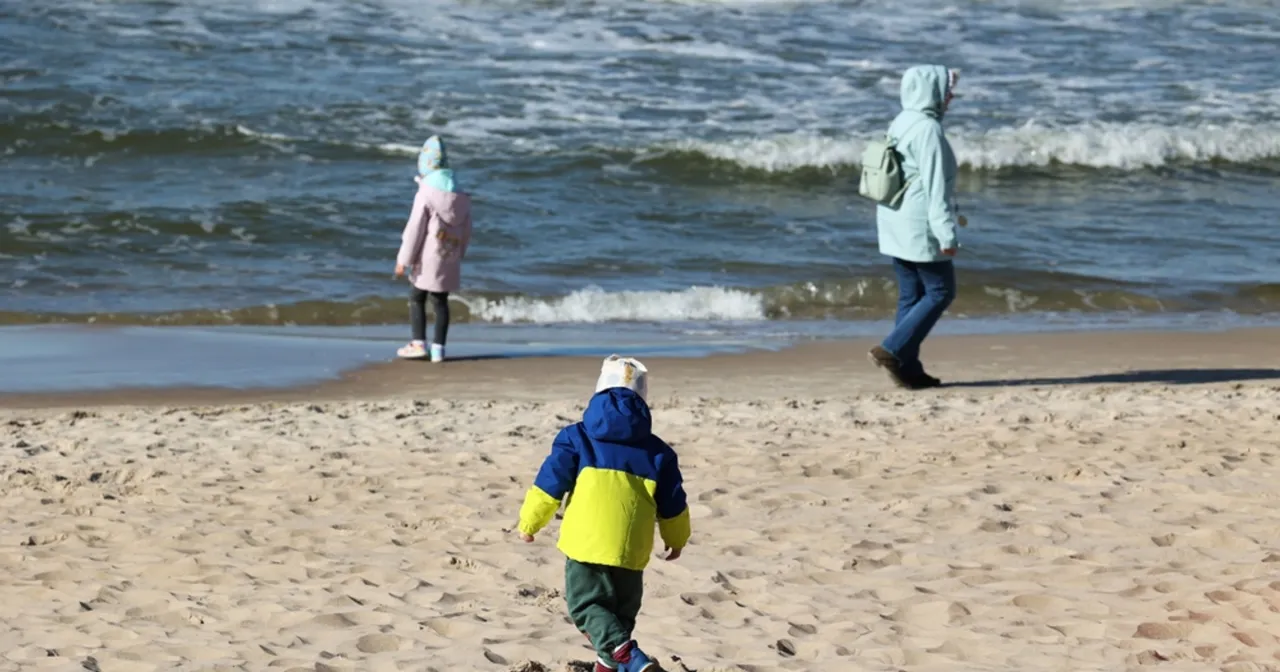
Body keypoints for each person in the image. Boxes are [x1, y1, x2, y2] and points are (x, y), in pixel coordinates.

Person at [516, 355, 691, 672]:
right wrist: (677, 539)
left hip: (586, 545)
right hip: (631, 551)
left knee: (587, 608)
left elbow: (549, 484)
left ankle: (631, 659)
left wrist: (530, 523)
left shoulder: (576, 437)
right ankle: (618, 661)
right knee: (620, 618)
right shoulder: (659, 452)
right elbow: (674, 502)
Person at [868, 64, 965, 389]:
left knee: (911, 296)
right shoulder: (928, 130)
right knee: (940, 290)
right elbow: (935, 187)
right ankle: (892, 350)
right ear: (931, 91)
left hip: (894, 218)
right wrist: (946, 234)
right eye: (947, 89)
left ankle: (908, 370)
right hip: (919, 224)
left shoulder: (903, 120)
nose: (951, 97)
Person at [394, 135, 473, 362]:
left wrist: (404, 260)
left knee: (417, 296)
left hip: (427, 259)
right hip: (449, 256)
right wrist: (460, 253)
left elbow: (415, 230)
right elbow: (467, 230)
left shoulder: (425, 194)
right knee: (440, 301)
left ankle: (419, 343)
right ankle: (439, 349)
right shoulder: (461, 196)